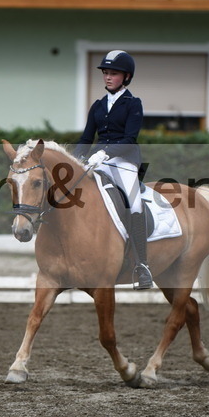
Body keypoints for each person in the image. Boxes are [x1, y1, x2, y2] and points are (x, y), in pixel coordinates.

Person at [74, 50, 152, 290]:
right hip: (98, 161)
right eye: (106, 73)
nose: (108, 77)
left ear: (126, 77)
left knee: (133, 202)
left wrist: (105, 153)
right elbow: (87, 138)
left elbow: (130, 139)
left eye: (113, 74)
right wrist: (75, 161)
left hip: (124, 162)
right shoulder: (97, 106)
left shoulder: (133, 104)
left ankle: (142, 265)